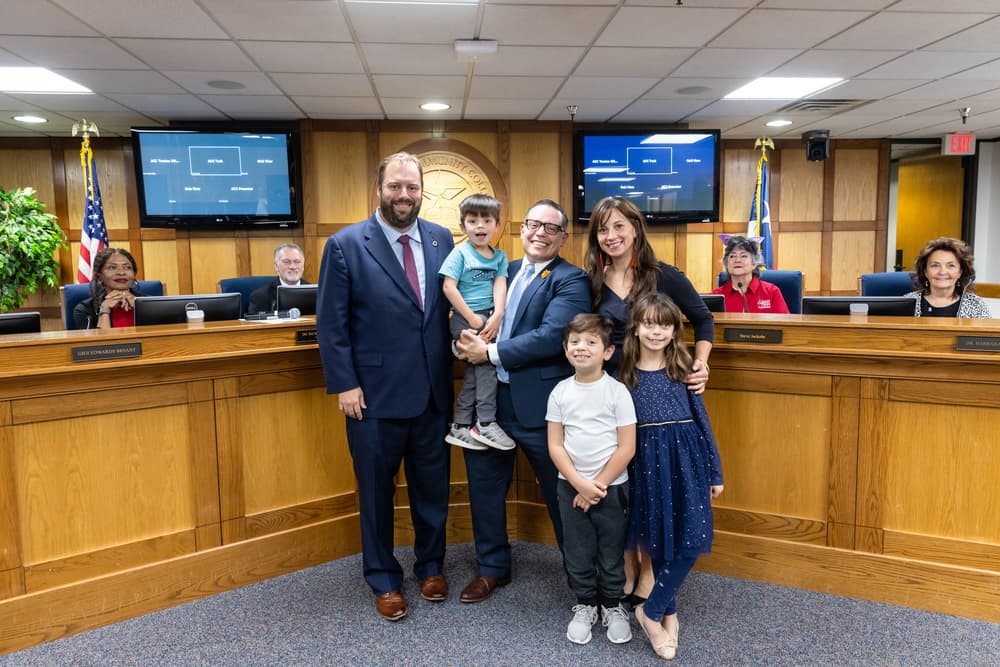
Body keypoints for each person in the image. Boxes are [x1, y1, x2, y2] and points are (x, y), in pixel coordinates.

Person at [316, 152, 455, 622]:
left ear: (421, 191)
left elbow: (440, 312)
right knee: (376, 492)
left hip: (433, 393)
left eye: (411, 188)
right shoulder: (345, 244)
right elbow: (331, 325)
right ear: (379, 189)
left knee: (432, 489)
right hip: (372, 396)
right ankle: (382, 577)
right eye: (395, 186)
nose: (403, 195)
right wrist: (345, 384)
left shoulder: (440, 238)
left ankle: (431, 566)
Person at [454, 199, 590, 604]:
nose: (539, 233)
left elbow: (552, 337)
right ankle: (491, 569)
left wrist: (490, 354)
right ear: (520, 228)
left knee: (560, 491)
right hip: (488, 405)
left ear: (563, 237)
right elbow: (465, 308)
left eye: (550, 228)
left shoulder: (571, 279)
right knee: (484, 487)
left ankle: (580, 576)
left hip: (541, 407)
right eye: (533, 224)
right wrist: (464, 340)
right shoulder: (503, 269)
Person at [583, 195, 714, 607]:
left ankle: (650, 567)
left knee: (654, 480)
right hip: (612, 389)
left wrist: (701, 364)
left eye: (619, 226)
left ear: (636, 228)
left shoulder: (663, 276)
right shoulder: (592, 280)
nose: (611, 236)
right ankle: (627, 559)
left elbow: (703, 318)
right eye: (603, 229)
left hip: (655, 384)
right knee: (627, 481)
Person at [617, 292, 724, 661]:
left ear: (674, 330)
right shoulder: (624, 374)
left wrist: (715, 469)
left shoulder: (685, 367)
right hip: (646, 462)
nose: (656, 331)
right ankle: (669, 612)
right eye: (649, 323)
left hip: (688, 459)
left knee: (692, 539)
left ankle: (650, 609)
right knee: (660, 540)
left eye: (664, 325)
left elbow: (702, 420)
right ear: (636, 327)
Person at [546, 313, 636, 646]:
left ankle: (613, 604)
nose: (581, 347)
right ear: (565, 349)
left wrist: (595, 486)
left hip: (612, 488)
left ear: (608, 352)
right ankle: (585, 603)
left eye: (591, 342)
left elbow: (626, 447)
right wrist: (579, 484)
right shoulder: (559, 392)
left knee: (611, 551)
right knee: (578, 549)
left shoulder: (617, 392)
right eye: (574, 342)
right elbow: (555, 445)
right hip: (569, 486)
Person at [439, 194, 513, 451]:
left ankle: (459, 426)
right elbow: (448, 287)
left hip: (489, 317)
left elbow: (500, 284)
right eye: (472, 221)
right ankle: (485, 422)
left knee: (475, 373)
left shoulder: (499, 256)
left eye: (486, 220)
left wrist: (498, 314)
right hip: (464, 318)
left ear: (496, 224)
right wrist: (472, 317)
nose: (480, 226)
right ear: (463, 227)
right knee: (487, 369)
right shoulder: (459, 253)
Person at [904, 236, 991, 318]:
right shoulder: (907, 303)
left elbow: (986, 334)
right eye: (935, 265)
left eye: (951, 265)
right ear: (925, 271)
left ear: (960, 272)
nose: (942, 272)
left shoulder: (975, 305)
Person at [712, 235, 790, 313]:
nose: (737, 260)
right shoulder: (716, 295)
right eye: (732, 256)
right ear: (726, 263)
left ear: (754, 263)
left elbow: (785, 324)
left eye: (743, 256)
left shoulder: (772, 292)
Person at [72, 247, 145, 329]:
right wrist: (104, 310)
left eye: (127, 267)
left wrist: (142, 308)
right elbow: (99, 342)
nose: (121, 272)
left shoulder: (150, 304)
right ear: (99, 275)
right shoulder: (85, 310)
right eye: (112, 267)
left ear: (134, 273)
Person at [247, 242, 309, 315]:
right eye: (286, 262)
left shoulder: (317, 293)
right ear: (276, 266)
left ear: (303, 266)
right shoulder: (260, 297)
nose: (293, 266)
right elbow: (255, 325)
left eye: (297, 262)